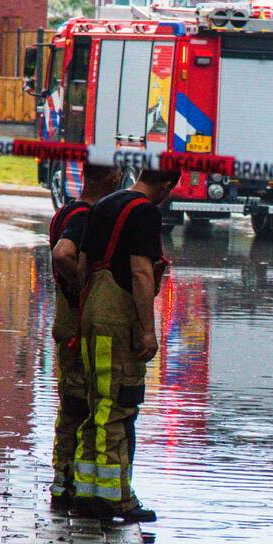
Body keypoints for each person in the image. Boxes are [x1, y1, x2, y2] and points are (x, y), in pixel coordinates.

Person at [73, 168, 178, 523]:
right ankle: (116, 499)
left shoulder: (103, 205)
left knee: (95, 405)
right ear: (166, 185)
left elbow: (83, 264)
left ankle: (86, 491)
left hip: (90, 313)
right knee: (117, 406)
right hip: (116, 322)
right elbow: (141, 272)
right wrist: (148, 330)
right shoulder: (144, 211)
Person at [48, 164, 121, 511]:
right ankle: (68, 484)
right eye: (119, 172)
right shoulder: (85, 216)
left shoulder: (67, 209)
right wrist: (84, 289)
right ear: (110, 177)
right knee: (79, 405)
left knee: (71, 404)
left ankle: (65, 482)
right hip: (75, 325)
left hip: (69, 324)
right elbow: (62, 254)